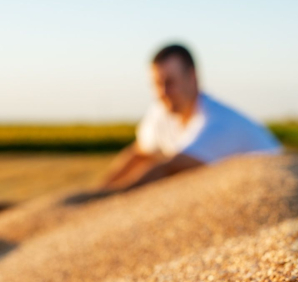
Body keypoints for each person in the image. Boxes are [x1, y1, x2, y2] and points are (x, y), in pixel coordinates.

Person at [99, 44, 281, 193]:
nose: (162, 93)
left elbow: (171, 168)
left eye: (170, 83)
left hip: (275, 184)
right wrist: (101, 190)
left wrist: (112, 196)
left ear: (192, 77)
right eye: (156, 84)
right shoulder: (161, 112)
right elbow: (140, 154)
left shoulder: (217, 121)